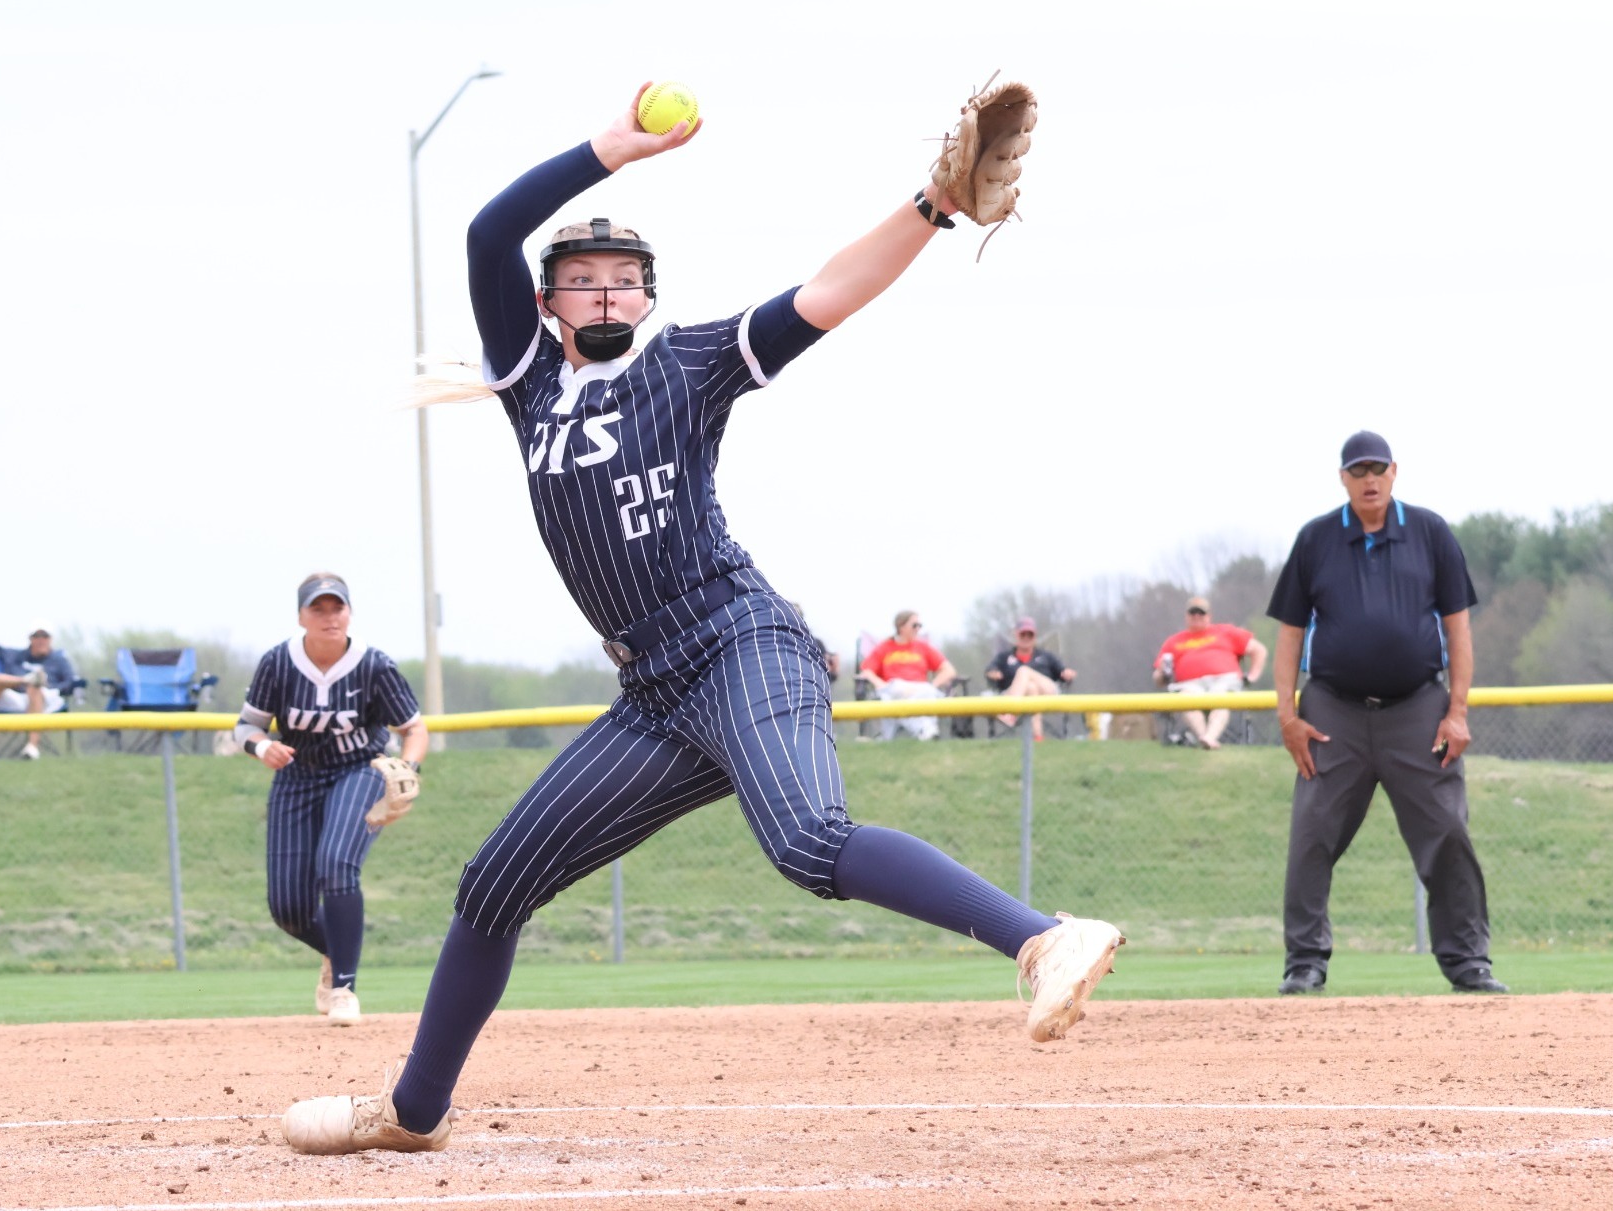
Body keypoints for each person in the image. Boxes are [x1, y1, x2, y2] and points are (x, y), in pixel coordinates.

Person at [278, 85, 1124, 1157]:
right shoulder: (529, 382)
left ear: (645, 297)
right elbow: (489, 230)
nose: (600, 290)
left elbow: (827, 291)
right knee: (493, 882)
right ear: (544, 304)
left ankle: (1042, 937)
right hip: (653, 692)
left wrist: (930, 205)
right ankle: (413, 1113)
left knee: (806, 839)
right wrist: (613, 151)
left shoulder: (687, 362)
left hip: (740, 639)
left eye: (621, 279)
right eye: (577, 279)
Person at [1267, 431, 1504, 996]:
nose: (1369, 479)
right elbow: (1289, 635)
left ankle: (1468, 961)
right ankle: (1305, 962)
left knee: (1447, 832)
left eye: (1378, 468)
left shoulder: (1430, 532)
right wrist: (1286, 716)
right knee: (1312, 834)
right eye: (1357, 471)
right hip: (1333, 712)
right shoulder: (1316, 539)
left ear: (1395, 472)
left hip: (1418, 708)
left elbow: (1458, 627)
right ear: (1343, 478)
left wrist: (1458, 710)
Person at [234, 573, 430, 1026]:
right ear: (301, 615)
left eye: (336, 607)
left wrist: (409, 768)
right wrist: (262, 747)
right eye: (317, 609)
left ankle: (344, 988)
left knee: (337, 863)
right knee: (288, 908)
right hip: (296, 775)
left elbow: (413, 729)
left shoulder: (373, 665)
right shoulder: (278, 664)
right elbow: (246, 726)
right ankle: (333, 951)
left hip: (360, 769)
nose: (329, 617)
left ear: (349, 612)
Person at [1153, 596, 1268, 749]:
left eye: (1201, 613)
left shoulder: (1226, 631)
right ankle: (1205, 738)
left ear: (1209, 616)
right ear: (1186, 616)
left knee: (1220, 696)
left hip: (1223, 681)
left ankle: (1209, 737)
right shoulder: (1173, 641)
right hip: (1189, 685)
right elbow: (1158, 678)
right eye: (1192, 613)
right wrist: (1162, 674)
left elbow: (1259, 650)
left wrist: (1252, 676)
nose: (1196, 616)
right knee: (1186, 698)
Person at [0, 623, 79, 759]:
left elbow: (69, 682)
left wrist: (47, 685)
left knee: (35, 685)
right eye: (36, 636)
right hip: (17, 696)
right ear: (30, 638)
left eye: (45, 636)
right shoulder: (17, 656)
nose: (41, 640)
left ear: (50, 639)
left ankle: (32, 748)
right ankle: (24, 680)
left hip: (48, 699)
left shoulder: (60, 660)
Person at [857, 610, 959, 741]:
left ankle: (923, 732)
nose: (918, 629)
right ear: (901, 626)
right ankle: (927, 731)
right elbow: (866, 671)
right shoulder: (885, 647)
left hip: (919, 690)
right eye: (914, 625)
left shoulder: (923, 647)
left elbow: (949, 670)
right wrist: (880, 684)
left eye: (919, 626)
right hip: (894, 689)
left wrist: (933, 685)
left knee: (927, 692)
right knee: (904, 690)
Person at [984, 616, 1075, 738]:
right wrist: (993, 674)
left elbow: (1062, 672)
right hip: (1013, 693)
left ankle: (1011, 712)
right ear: (1016, 635)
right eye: (1023, 634)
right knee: (1031, 688)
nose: (1026, 638)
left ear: (1035, 636)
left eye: (1030, 635)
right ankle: (1038, 737)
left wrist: (1067, 673)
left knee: (1024, 671)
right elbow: (989, 671)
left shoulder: (1046, 656)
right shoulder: (1004, 657)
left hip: (1047, 693)